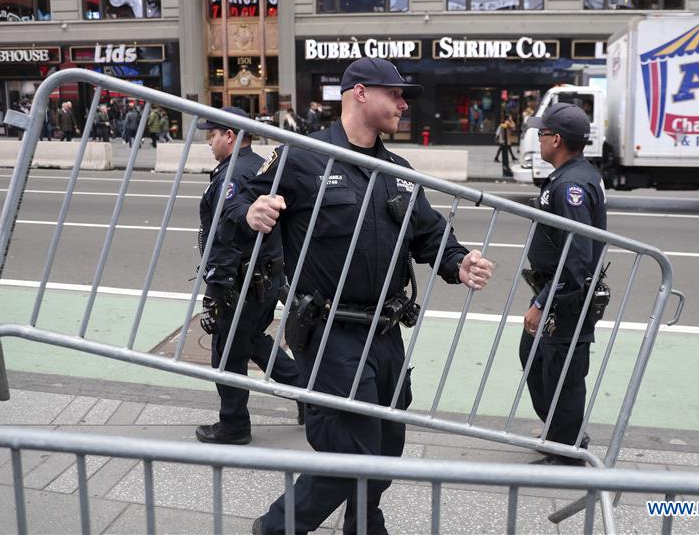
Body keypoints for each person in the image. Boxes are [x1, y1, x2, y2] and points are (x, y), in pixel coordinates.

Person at [223, 57, 495, 535]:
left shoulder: (399, 169)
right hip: (332, 333)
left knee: (387, 448)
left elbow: (430, 234)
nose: (404, 104)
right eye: (396, 94)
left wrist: (458, 261)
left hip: (386, 333)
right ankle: (275, 527)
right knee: (350, 453)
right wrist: (251, 213)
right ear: (361, 93)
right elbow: (236, 196)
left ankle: (363, 522)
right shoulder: (303, 155)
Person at [195, 106, 304, 446]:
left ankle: (234, 425)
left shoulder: (234, 176)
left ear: (231, 136)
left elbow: (229, 237)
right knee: (253, 340)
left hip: (241, 282)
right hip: (265, 277)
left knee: (227, 352)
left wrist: (214, 289)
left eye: (212, 135)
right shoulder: (259, 166)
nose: (209, 143)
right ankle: (310, 396)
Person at [520, 102, 607, 467]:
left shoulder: (571, 184)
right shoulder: (570, 174)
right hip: (560, 292)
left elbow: (577, 259)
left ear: (556, 139)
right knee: (535, 358)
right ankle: (561, 434)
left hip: (567, 296)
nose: (537, 139)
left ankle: (567, 451)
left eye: (541, 133)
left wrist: (543, 303)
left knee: (562, 374)